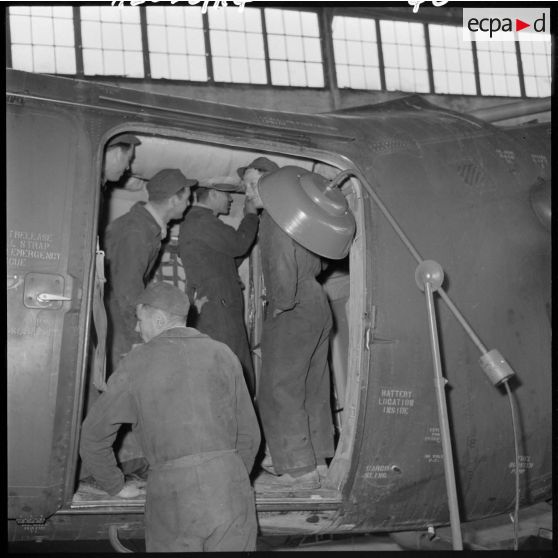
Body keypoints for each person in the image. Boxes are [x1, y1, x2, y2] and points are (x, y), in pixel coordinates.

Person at [80, 282, 260, 552]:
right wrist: (230, 476)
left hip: (174, 495)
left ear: (159, 320)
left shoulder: (136, 363)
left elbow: (93, 436)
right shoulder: (223, 354)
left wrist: (115, 485)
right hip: (230, 488)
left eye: (140, 320)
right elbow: (250, 434)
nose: (137, 328)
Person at [239, 157, 333, 490]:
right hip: (317, 300)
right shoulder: (300, 215)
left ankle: (298, 469)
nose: (248, 193)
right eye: (246, 186)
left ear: (273, 184)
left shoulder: (272, 219)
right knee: (312, 386)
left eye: (253, 184)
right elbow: (322, 263)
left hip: (292, 304)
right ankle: (318, 461)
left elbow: (281, 267)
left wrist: (281, 304)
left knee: (279, 389)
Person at [104, 168, 197, 373]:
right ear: (173, 200)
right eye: (186, 199)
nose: (188, 204)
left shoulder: (145, 226)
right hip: (118, 321)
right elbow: (127, 291)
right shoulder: (136, 231)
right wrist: (139, 335)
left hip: (118, 316)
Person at [178, 176, 259, 396]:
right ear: (212, 194)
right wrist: (251, 216)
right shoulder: (202, 221)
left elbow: (226, 259)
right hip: (218, 308)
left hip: (214, 305)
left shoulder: (198, 223)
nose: (231, 199)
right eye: (226, 194)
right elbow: (238, 244)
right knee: (231, 370)